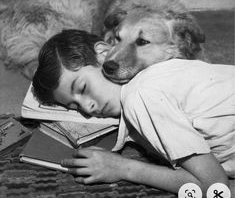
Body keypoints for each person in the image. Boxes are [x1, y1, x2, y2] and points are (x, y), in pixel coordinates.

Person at [32, 29, 234, 195]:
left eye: (83, 88)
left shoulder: (139, 97)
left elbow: (215, 186)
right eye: (74, 106)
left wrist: (123, 168)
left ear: (103, 54)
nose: (87, 108)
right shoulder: (155, 71)